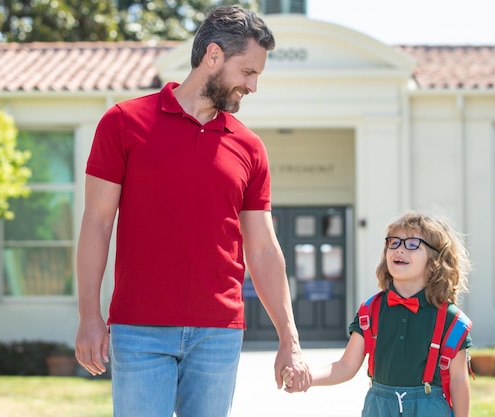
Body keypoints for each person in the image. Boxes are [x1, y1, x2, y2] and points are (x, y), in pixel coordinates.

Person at [74, 5, 310, 417]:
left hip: (218, 335)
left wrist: (288, 338)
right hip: (139, 330)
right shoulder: (124, 122)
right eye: (248, 72)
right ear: (213, 56)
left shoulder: (250, 147)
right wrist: (89, 315)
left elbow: (264, 248)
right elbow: (96, 222)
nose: (253, 86)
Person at [282, 211, 473, 417]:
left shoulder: (451, 320)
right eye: (394, 242)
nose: (399, 249)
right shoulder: (370, 310)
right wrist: (308, 377)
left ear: (436, 261)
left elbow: (458, 380)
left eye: (412, 244)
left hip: (429, 408)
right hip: (379, 407)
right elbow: (345, 366)